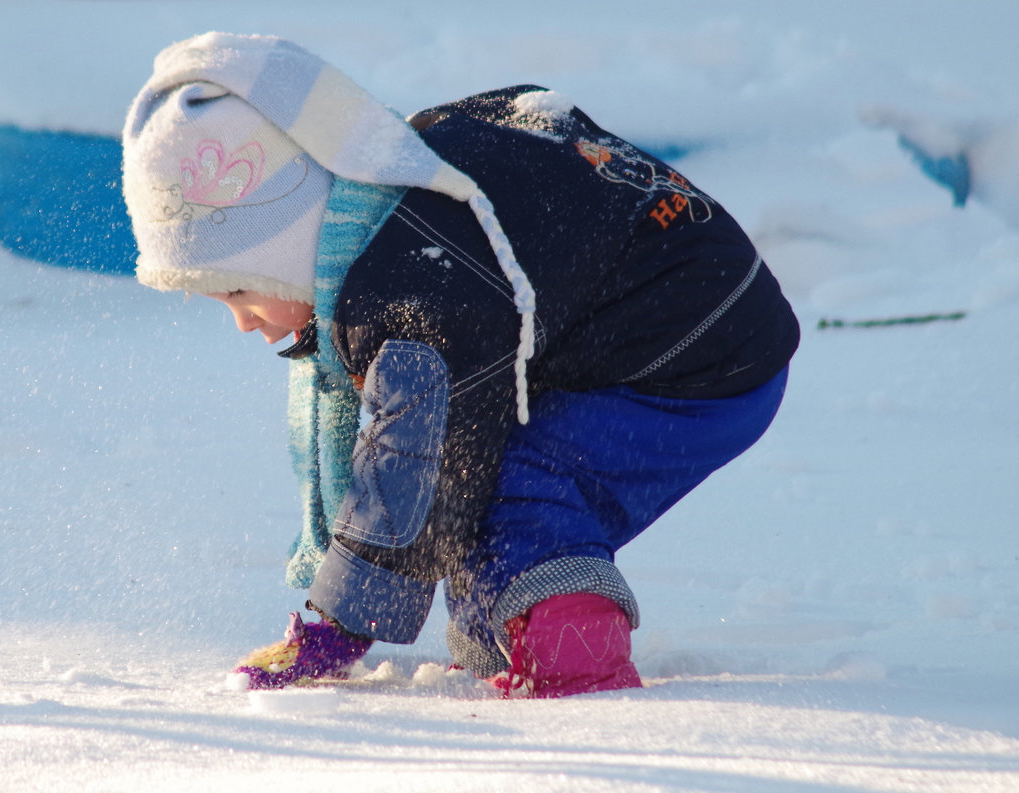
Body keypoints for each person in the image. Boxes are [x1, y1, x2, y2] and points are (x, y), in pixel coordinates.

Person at [121, 32, 800, 698]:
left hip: (696, 357)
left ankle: (577, 664)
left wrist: (338, 625)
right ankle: (507, 640)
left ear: (290, 240)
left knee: (506, 480)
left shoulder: (415, 290)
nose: (238, 319)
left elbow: (415, 466)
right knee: (479, 463)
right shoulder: (406, 182)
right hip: (705, 311)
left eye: (238, 287)